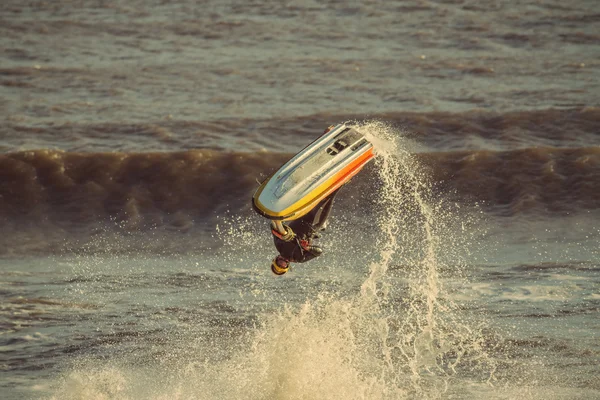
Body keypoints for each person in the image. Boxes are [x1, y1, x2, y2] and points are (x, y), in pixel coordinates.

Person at [270, 190, 338, 275]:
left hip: (300, 216)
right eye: (284, 265)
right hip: (313, 224)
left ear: (276, 259)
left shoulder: (279, 245)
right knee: (329, 198)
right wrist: (308, 248)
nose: (283, 261)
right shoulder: (300, 257)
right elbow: (319, 252)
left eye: (279, 263)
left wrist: (277, 232)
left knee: (315, 196)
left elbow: (273, 225)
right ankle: (341, 183)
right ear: (288, 265)